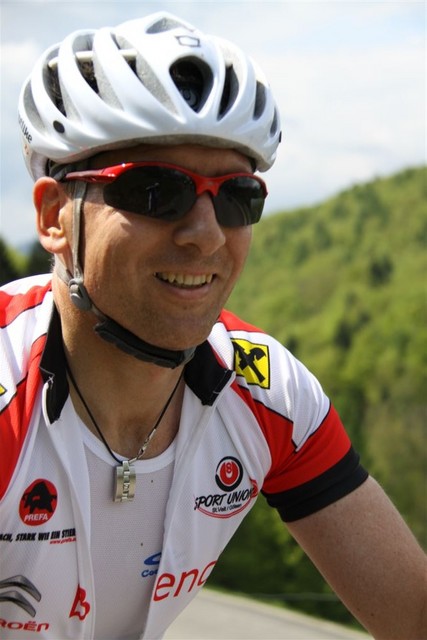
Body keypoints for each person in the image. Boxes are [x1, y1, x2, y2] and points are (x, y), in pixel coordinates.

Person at [0, 11, 425, 640]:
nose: (206, 235)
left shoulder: (270, 395)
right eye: (155, 190)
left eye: (236, 197)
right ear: (55, 216)